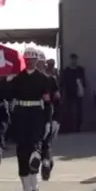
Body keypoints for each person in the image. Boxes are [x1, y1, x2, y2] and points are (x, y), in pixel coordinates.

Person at [6, 47, 52, 191]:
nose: (30, 62)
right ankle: (27, 189)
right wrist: (7, 81)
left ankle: (34, 185)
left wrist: (48, 121)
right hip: (21, 114)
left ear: (36, 60)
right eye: (27, 59)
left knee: (34, 147)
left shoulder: (43, 78)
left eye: (32, 59)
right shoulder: (18, 78)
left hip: (36, 114)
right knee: (22, 151)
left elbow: (48, 102)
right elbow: (7, 96)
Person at [37, 52, 61, 181]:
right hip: (36, 116)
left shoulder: (51, 80)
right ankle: (46, 162)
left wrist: (56, 119)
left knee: (45, 142)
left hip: (50, 116)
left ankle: (46, 163)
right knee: (42, 143)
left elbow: (57, 99)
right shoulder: (32, 80)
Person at [61, 53, 85, 132]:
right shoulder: (66, 71)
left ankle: (78, 128)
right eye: (72, 59)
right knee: (69, 111)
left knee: (78, 112)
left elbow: (83, 82)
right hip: (69, 94)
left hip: (78, 94)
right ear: (70, 60)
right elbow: (62, 83)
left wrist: (82, 90)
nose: (73, 61)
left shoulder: (80, 70)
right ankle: (70, 128)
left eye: (75, 59)